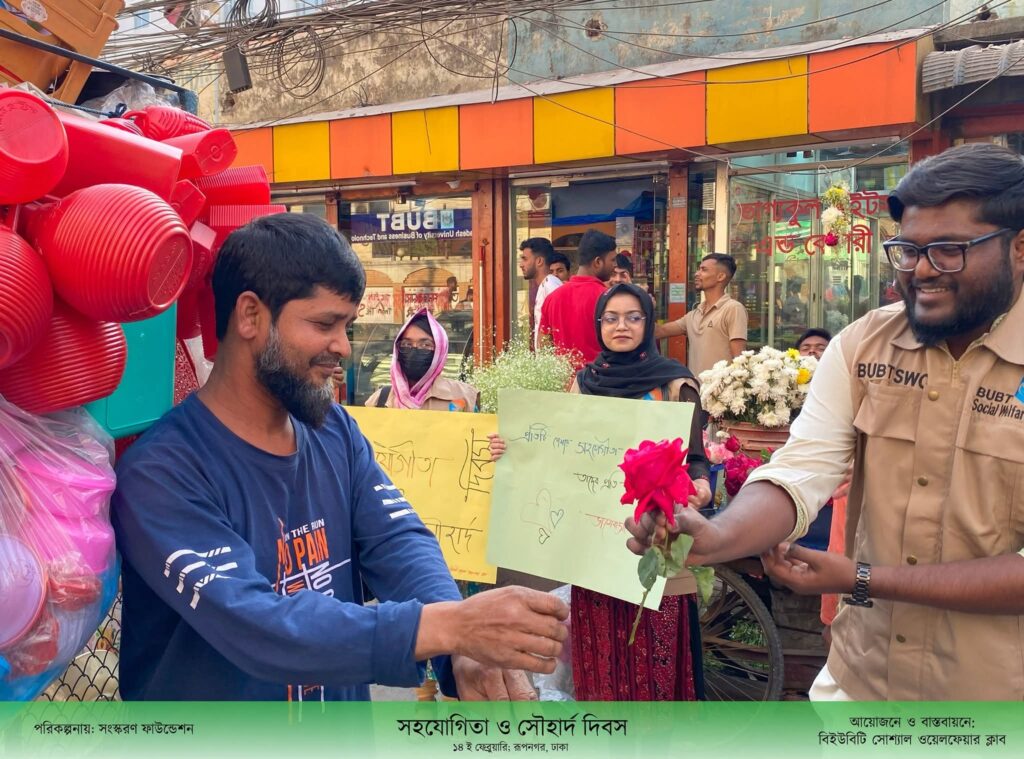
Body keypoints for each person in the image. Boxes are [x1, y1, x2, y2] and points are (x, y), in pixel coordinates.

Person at [111, 213, 568, 701]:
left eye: (347, 325)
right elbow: (257, 625)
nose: (343, 347)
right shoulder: (162, 473)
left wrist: (461, 650)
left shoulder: (335, 431)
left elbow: (397, 540)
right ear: (250, 316)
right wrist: (451, 626)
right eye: (325, 324)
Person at [626, 142, 1024, 701]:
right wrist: (716, 537)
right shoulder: (865, 343)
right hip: (862, 690)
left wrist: (862, 579)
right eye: (908, 250)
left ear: (1019, 248)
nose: (922, 271)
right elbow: (802, 469)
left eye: (948, 250)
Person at [493, 283, 712, 700]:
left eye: (633, 317)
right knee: (600, 661)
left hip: (654, 541)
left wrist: (700, 484)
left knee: (655, 658)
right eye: (610, 318)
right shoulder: (584, 383)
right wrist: (512, 448)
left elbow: (697, 458)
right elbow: (557, 452)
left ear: (648, 324)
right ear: (599, 325)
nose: (621, 326)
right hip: (594, 550)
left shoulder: (674, 384)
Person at [654, 253, 748, 377]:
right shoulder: (694, 314)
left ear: (720, 276)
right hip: (695, 388)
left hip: (721, 389)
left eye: (704, 270)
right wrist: (643, 304)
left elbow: (740, 360)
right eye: (698, 269)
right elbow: (659, 332)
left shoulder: (733, 309)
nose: (697, 274)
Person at [366, 309, 477, 412]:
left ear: (439, 352)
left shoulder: (465, 398)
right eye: (407, 344)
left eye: (425, 345)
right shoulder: (379, 400)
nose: (414, 350)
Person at [538, 229, 617, 367]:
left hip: (562, 379)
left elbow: (543, 345)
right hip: (600, 378)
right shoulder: (608, 298)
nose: (615, 265)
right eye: (613, 260)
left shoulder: (552, 298)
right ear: (598, 262)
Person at [517, 237, 559, 341]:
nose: (521, 265)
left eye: (525, 259)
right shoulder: (545, 285)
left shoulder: (551, 286)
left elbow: (558, 328)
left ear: (539, 261)